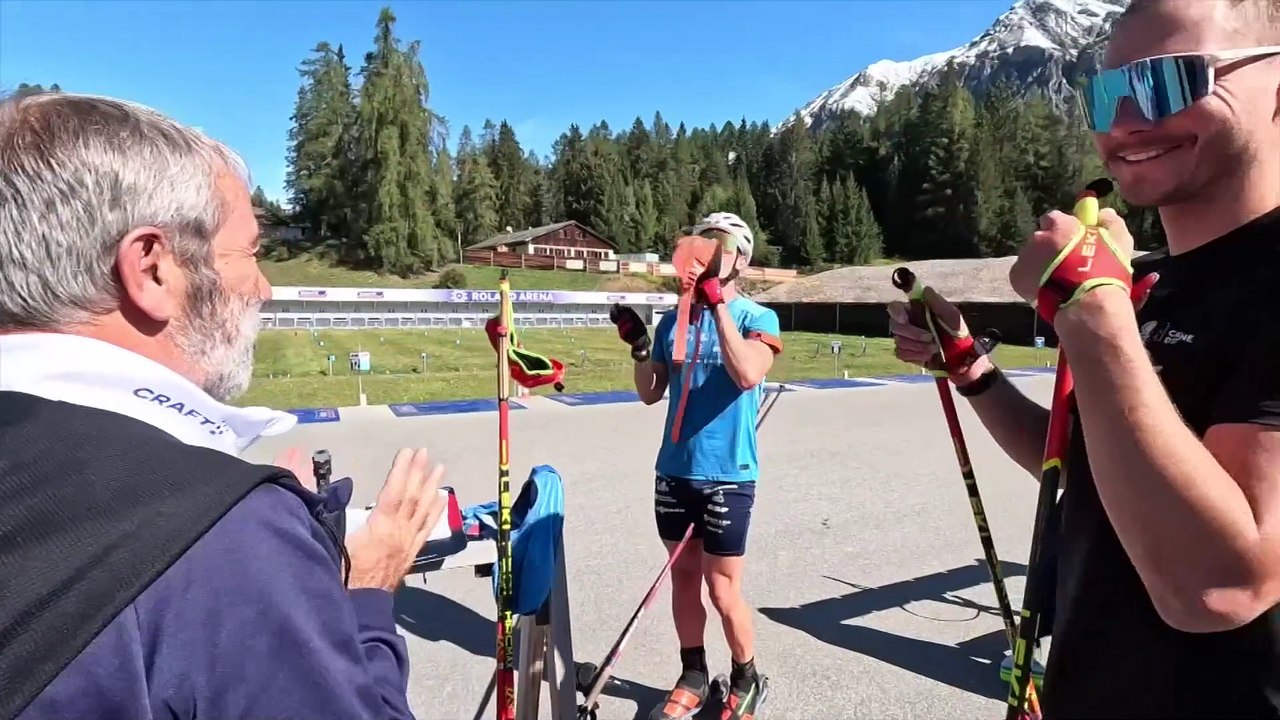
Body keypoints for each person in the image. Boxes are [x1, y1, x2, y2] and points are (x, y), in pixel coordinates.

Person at [0, 91, 447, 720]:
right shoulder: (225, 541)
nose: (263, 287)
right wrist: (364, 594)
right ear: (153, 270)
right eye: (251, 254)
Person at [889, 0, 1280, 716]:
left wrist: (1093, 310)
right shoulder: (1150, 279)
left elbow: (1220, 586)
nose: (1126, 121)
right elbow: (1093, 461)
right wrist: (974, 369)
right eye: (1107, 93)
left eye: (1169, 80)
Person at [610, 212, 782, 720]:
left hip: (728, 474)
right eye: (703, 243)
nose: (708, 253)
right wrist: (642, 348)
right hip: (674, 470)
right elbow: (649, 393)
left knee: (723, 589)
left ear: (741, 258)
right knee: (684, 581)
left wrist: (716, 304)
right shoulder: (674, 321)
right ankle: (693, 673)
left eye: (721, 245)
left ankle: (747, 676)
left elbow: (749, 372)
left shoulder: (757, 318)